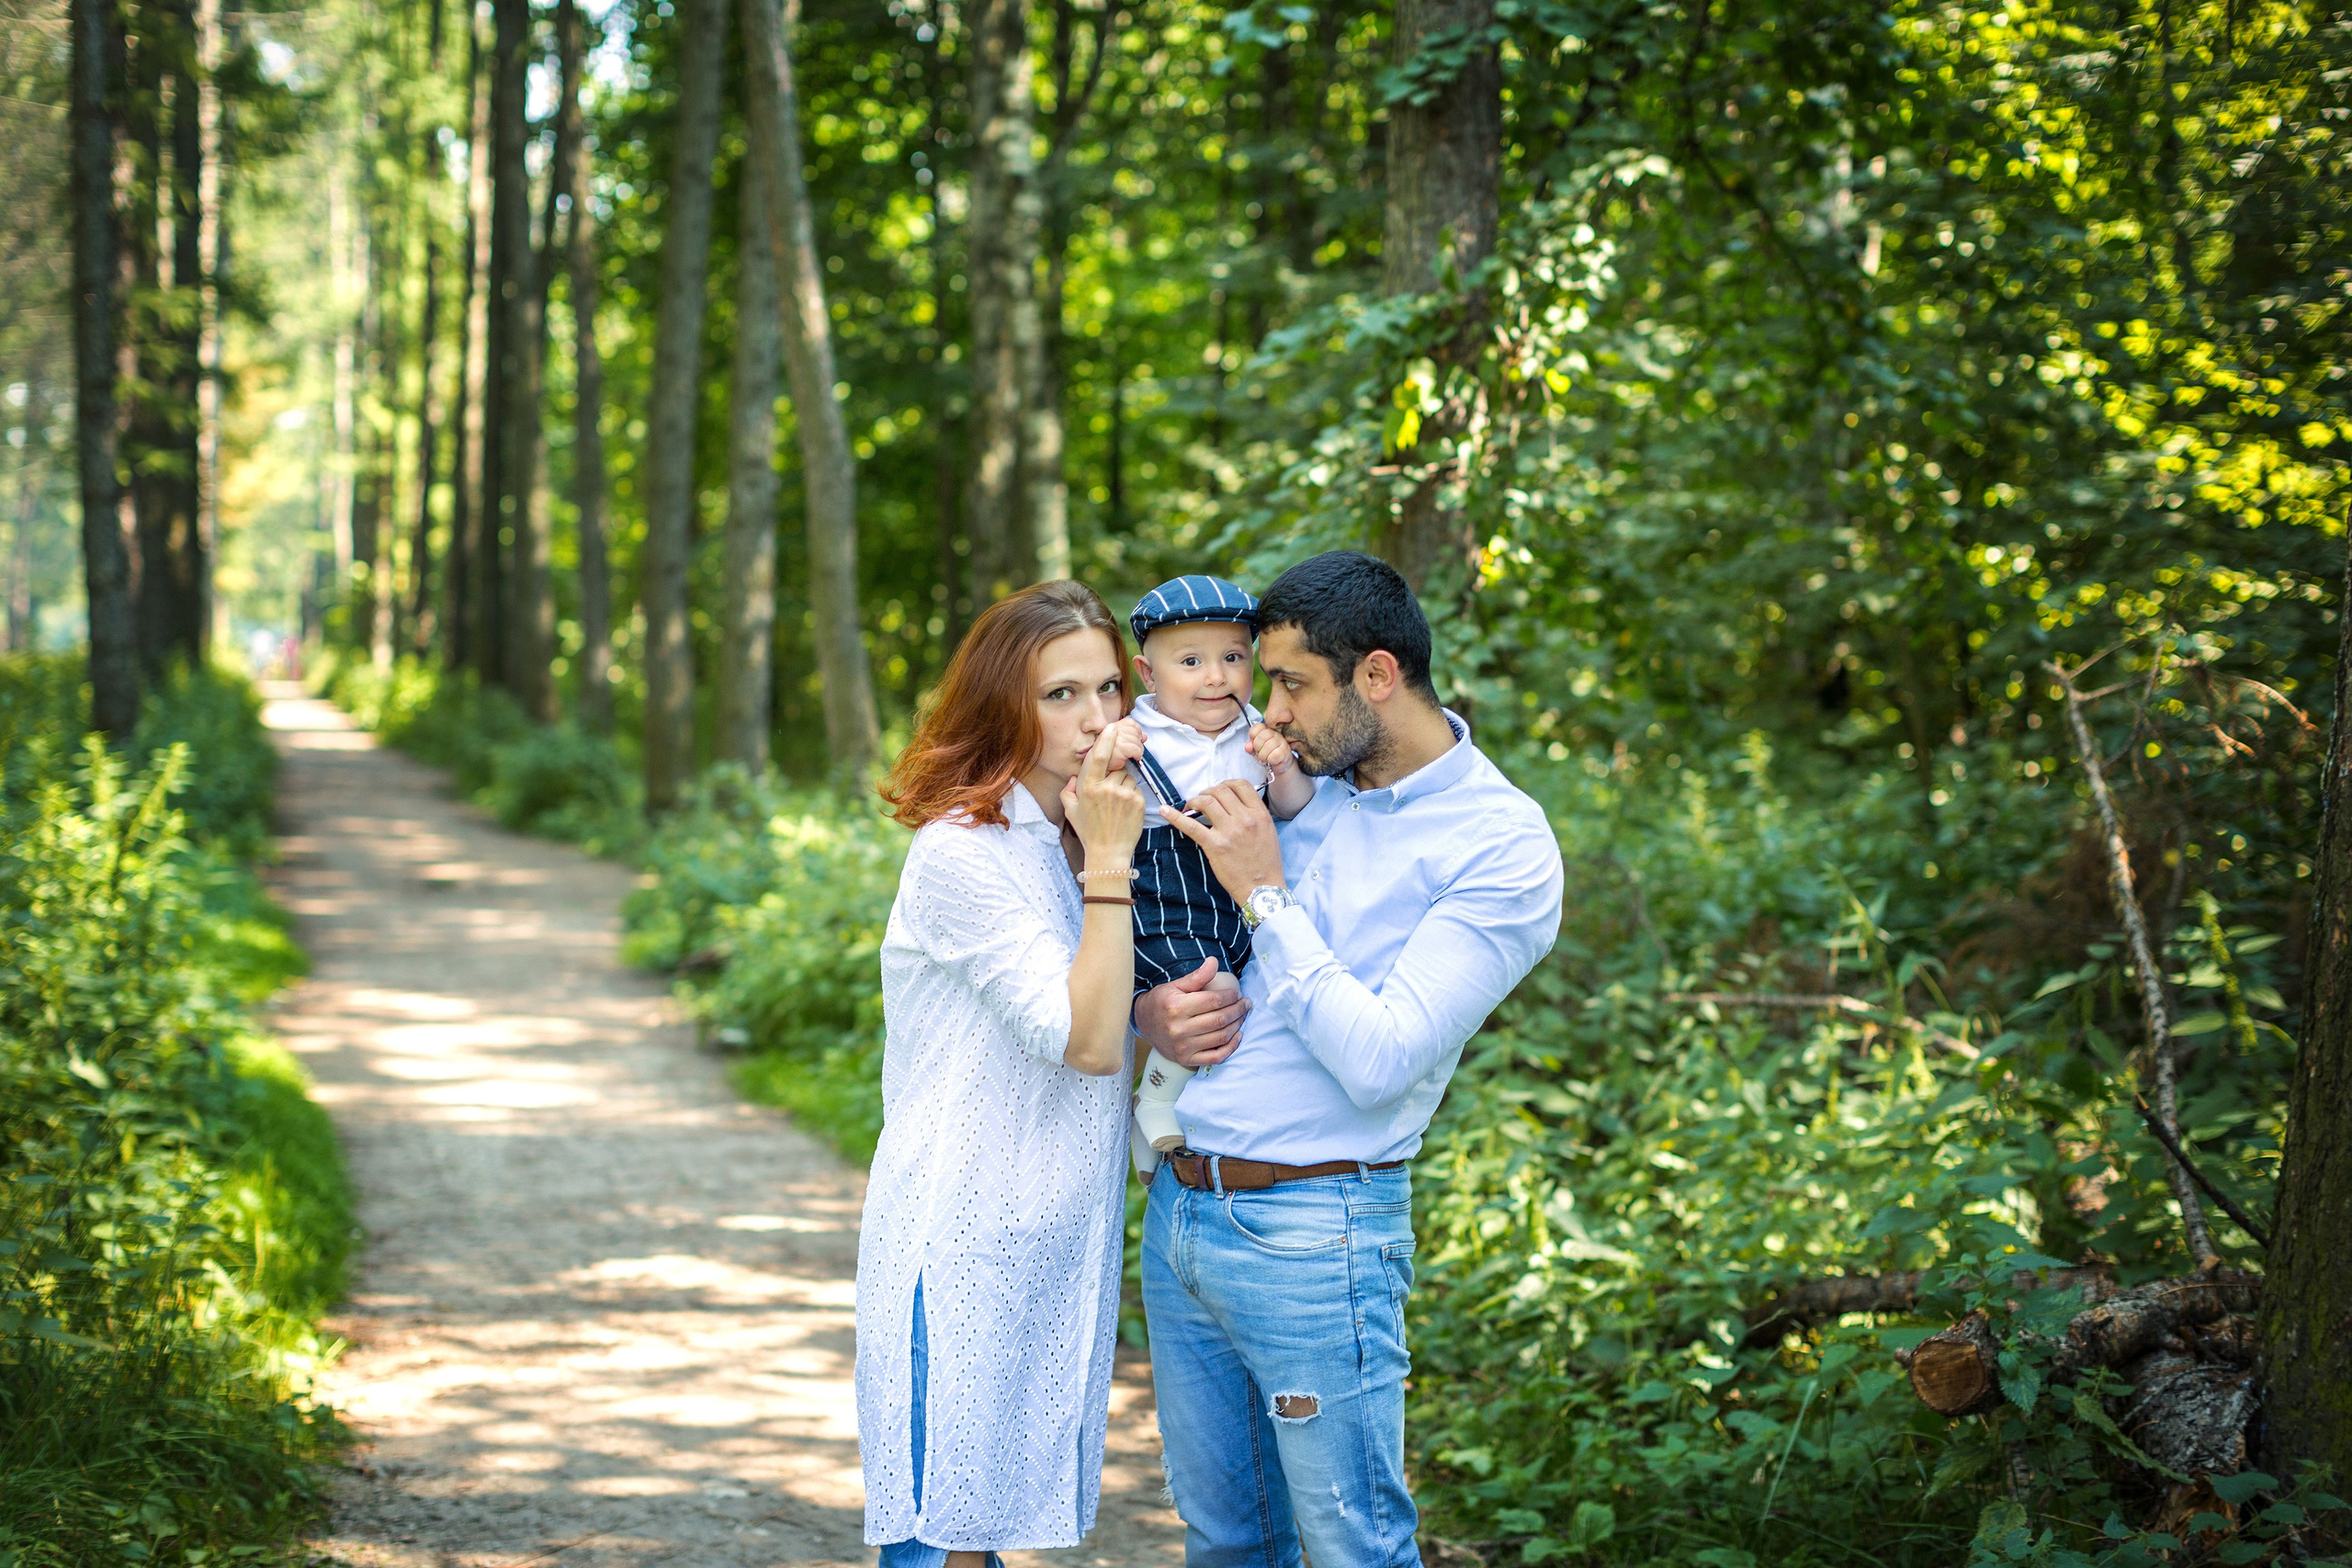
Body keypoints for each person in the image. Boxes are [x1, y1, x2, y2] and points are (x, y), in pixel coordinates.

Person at [1134, 550, 1566, 1568]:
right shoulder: (1305, 783)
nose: (1264, 710)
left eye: (1289, 684)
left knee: (1353, 1549)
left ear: (1376, 676)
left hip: (1314, 1237)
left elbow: (1378, 1062)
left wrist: (1264, 893)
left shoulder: (1498, 845)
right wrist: (1154, 1015)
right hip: (1181, 1216)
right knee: (1226, 1543)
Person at [855, 580, 1150, 1568]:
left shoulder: (1078, 841)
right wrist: (1110, 862)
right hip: (962, 1246)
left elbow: (1115, 1019)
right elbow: (1085, 1041)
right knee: (942, 1543)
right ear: (1001, 705)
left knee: (995, 1532)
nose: (1096, 720)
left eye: (1109, 688)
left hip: (1059, 1245)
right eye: (1060, 695)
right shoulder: (962, 854)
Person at [1120, 575, 1314, 1161]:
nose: (1216, 677)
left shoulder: (1255, 731)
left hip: (1238, 898)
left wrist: (1283, 768)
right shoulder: (1137, 733)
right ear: (1148, 675)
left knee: (1246, 1003)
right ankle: (1154, 1102)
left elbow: (1293, 809)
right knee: (1212, 995)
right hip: (1166, 893)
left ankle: (1196, 1117)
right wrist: (1109, 753)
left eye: (1233, 658)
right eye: (1191, 661)